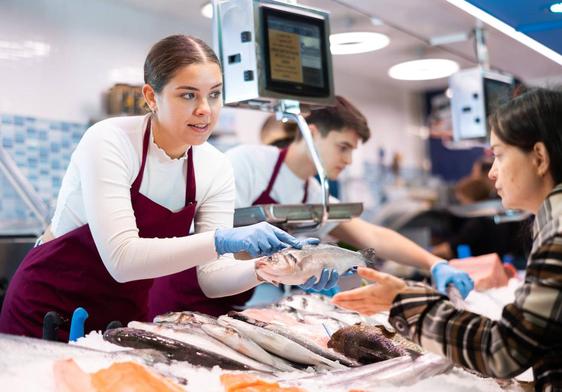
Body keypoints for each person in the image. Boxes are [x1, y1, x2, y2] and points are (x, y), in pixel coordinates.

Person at [0, 35, 314, 340]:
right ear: (152, 97)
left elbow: (212, 277)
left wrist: (270, 269)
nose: (205, 109)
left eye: (215, 94)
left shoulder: (215, 167)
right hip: (45, 312)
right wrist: (221, 239)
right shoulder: (110, 140)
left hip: (120, 318)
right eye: (188, 95)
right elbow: (123, 260)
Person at [332, 87, 562, 391]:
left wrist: (405, 302)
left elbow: (503, 350)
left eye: (499, 155)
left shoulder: (557, 234)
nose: (492, 172)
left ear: (539, 158)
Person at [227, 96, 474, 297]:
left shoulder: (312, 191)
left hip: (242, 299)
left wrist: (434, 263)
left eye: (352, 151)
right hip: (201, 297)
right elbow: (215, 240)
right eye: (343, 147)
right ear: (312, 134)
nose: (348, 160)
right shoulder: (248, 163)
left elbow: (373, 235)